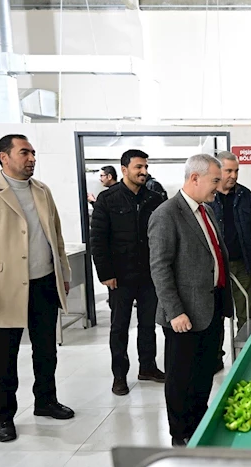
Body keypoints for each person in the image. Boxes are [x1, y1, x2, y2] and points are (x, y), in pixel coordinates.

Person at [0, 134, 75, 443]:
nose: (32, 158)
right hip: (3, 289)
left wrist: (63, 273)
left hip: (43, 285)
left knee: (46, 350)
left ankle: (46, 401)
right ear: (4, 157)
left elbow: (57, 239)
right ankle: (3, 417)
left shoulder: (42, 191)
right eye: (24, 152)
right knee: (4, 357)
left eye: (34, 153)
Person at [148, 154, 233, 446]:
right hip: (184, 315)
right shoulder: (166, 213)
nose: (218, 187)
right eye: (214, 181)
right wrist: (175, 312)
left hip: (211, 307)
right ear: (194, 178)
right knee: (181, 377)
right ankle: (179, 432)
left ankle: (198, 418)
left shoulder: (206, 211)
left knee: (205, 370)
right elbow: (160, 267)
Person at [90, 149, 166, 396]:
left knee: (148, 325)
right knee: (119, 326)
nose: (144, 171)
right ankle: (119, 376)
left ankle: (148, 367)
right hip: (119, 277)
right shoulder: (107, 199)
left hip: (148, 275)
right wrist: (105, 273)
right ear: (124, 170)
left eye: (145, 167)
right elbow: (98, 240)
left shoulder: (154, 199)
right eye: (138, 167)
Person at [208, 151, 251, 371]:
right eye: (229, 171)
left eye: (236, 171)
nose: (233, 175)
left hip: (242, 263)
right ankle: (216, 357)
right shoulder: (208, 195)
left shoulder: (245, 195)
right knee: (216, 313)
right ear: (218, 171)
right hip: (215, 268)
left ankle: (245, 355)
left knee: (245, 312)